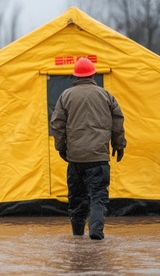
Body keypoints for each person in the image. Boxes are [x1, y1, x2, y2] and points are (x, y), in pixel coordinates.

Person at [50, 57, 126, 240]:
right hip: (99, 159)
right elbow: (118, 122)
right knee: (98, 196)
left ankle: (77, 236)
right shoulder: (106, 95)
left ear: (75, 76)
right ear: (93, 74)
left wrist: (61, 147)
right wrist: (119, 145)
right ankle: (96, 232)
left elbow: (57, 124)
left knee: (77, 198)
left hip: (75, 159)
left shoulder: (66, 96)